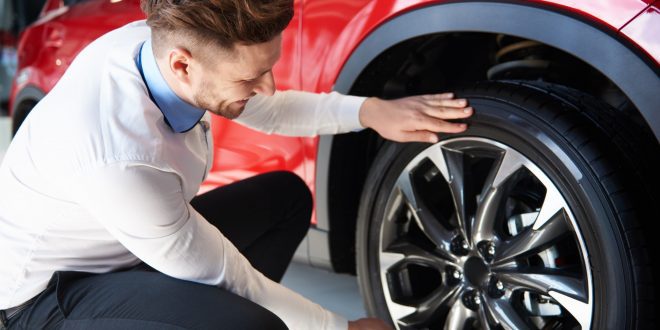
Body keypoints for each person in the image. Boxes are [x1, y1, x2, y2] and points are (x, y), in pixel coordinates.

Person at [0, 0, 473, 329]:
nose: (267, 86)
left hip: (130, 249)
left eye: (269, 67)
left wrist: (368, 111)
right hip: (45, 299)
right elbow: (221, 271)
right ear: (183, 66)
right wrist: (338, 327)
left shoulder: (156, 49)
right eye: (251, 76)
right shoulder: (116, 154)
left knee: (287, 199)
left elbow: (267, 108)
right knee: (252, 322)